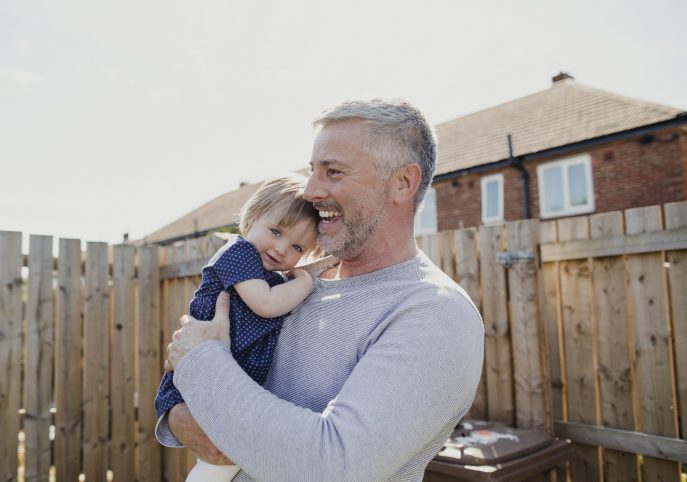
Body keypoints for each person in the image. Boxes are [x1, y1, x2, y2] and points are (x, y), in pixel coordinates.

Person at [158, 99, 484, 481]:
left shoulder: (435, 314)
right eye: (313, 170)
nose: (311, 190)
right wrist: (184, 411)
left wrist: (200, 361)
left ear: (402, 183)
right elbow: (183, 416)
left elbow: (333, 467)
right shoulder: (291, 283)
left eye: (333, 172)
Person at [155, 174, 320, 482]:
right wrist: (306, 281)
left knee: (222, 463)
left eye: (297, 246)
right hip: (196, 380)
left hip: (224, 386)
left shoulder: (270, 275)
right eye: (275, 231)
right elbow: (267, 304)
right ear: (252, 217)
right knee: (221, 462)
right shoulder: (238, 252)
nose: (281, 249)